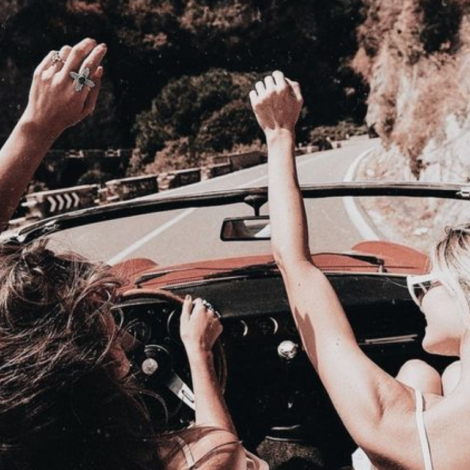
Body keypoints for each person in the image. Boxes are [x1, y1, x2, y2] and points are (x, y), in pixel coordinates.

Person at [0, 40, 267, 470]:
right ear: (80, 389)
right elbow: (222, 447)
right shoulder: (199, 458)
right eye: (114, 348)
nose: (127, 341)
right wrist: (199, 352)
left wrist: (37, 125)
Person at [250, 70, 466, 470]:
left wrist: (279, 133)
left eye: (425, 284)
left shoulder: (406, 432)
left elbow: (294, 262)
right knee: (440, 373)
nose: (417, 297)